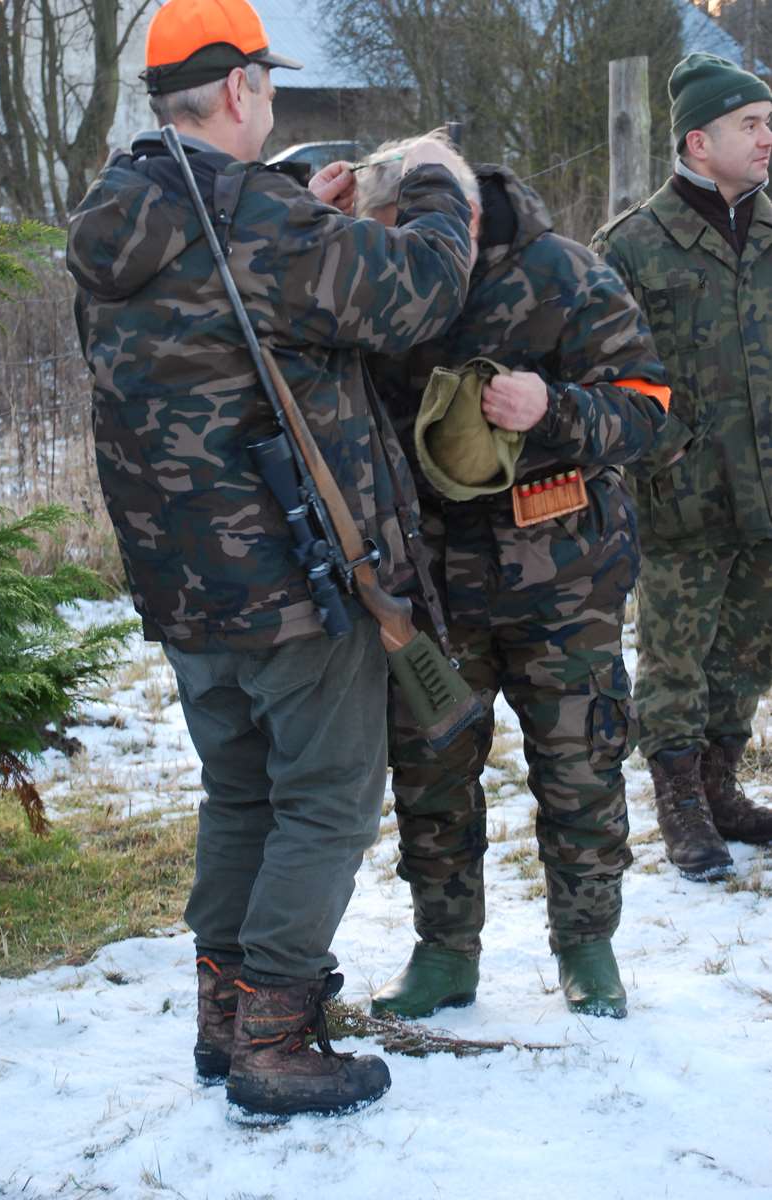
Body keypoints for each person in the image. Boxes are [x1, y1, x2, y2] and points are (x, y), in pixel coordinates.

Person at [66, 0, 475, 1120]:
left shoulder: (116, 214)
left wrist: (297, 204)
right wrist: (435, 183)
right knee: (326, 803)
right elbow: (422, 291)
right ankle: (277, 1040)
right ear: (242, 89)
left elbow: (224, 299)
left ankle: (222, 1018)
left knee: (239, 792)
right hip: (296, 582)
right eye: (268, 83)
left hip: (180, 582)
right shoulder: (257, 221)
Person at [353, 133, 671, 1021]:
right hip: (426, 583)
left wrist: (552, 408)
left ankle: (587, 948)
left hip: (563, 580)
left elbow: (650, 409)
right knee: (429, 775)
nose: (404, 248)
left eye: (412, 225)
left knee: (580, 766)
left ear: (459, 211)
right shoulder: (380, 280)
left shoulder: (564, 273)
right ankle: (444, 952)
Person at [591, 53, 772, 883]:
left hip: (767, 493)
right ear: (698, 141)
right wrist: (669, 453)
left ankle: (720, 788)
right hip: (680, 498)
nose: (766, 138)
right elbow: (602, 372)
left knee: (747, 651)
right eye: (750, 124)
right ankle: (679, 803)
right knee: (675, 657)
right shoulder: (630, 246)